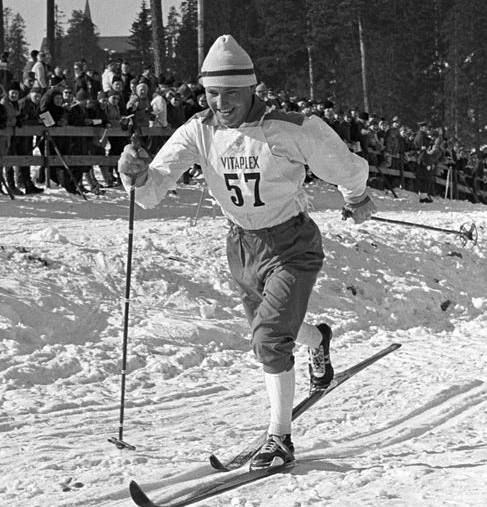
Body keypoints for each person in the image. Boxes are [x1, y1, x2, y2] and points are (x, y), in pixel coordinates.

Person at [118, 35, 376, 470]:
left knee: (269, 340)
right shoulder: (199, 130)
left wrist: (356, 196)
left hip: (291, 244)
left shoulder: (288, 127)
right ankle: (319, 341)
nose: (220, 103)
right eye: (211, 93)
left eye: (230, 94)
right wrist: (135, 173)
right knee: (271, 329)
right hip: (241, 247)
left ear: (252, 89)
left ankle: (280, 440)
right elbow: (152, 189)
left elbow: (343, 165)